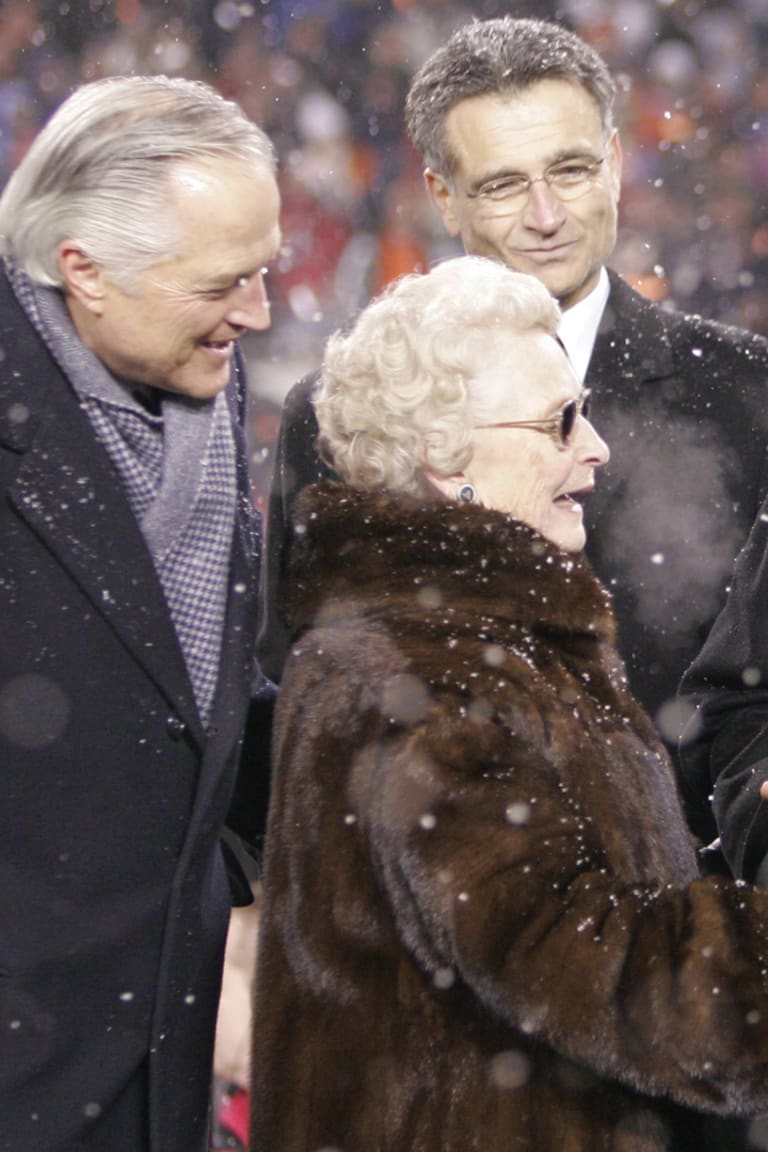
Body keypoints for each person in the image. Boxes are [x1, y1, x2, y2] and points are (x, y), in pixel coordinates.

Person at [250, 255, 768, 1152]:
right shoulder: (409, 681)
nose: (596, 445)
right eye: (560, 421)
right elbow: (583, 961)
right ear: (447, 462)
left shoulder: (488, 648)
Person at [256, 15, 768, 746]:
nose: (547, 215)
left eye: (571, 169)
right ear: (442, 196)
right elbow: (298, 697)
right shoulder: (339, 412)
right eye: (502, 184)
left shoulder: (752, 396)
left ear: (616, 164)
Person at [0, 74, 281, 1152]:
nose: (256, 311)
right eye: (224, 281)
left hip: (164, 1054)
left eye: (262, 272)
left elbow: (180, 695)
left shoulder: (206, 382)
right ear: (86, 271)